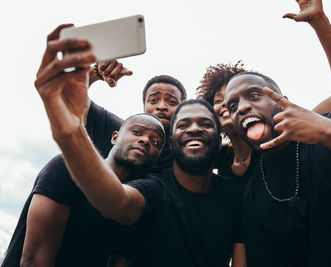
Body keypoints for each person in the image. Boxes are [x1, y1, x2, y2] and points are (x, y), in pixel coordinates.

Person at [32, 24, 245, 267]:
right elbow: (76, 104)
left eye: (172, 101)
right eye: (154, 100)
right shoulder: (128, 135)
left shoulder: (208, 161)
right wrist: (92, 76)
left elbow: (241, 151)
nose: (162, 106)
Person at [224, 69, 331, 266]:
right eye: (233, 106)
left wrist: (330, 132)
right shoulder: (253, 197)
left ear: (283, 101)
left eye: (254, 96)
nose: (241, 108)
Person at [196, 0, 331, 184]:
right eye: (221, 100)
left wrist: (319, 21)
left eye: (250, 96)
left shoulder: (285, 134)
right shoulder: (219, 156)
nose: (239, 106)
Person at [1, 112, 166, 267]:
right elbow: (34, 260)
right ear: (115, 137)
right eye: (137, 132)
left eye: (155, 142)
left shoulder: (137, 204)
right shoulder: (69, 166)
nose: (145, 140)